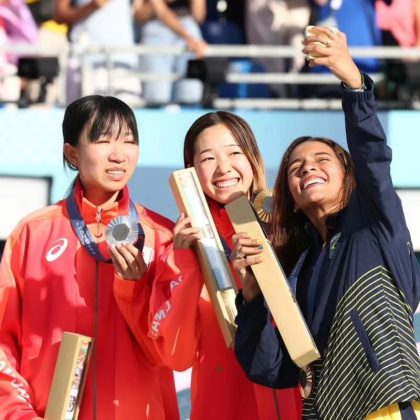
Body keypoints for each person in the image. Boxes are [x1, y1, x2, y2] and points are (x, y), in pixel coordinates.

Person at [232, 26, 420, 419]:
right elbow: (269, 368)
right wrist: (252, 294)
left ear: (348, 176)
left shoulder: (373, 226)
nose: (308, 169)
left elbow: (373, 158)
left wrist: (353, 84)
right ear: (292, 198)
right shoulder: (297, 271)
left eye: (322, 161)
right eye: (296, 169)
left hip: (386, 405)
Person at [0, 95, 180, 419]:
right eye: (102, 140)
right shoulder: (32, 233)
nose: (119, 155)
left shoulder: (162, 236)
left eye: (129, 141)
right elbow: (2, 340)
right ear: (72, 152)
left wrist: (138, 290)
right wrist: (18, 413)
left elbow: (174, 349)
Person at [145, 111, 302, 419]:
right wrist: (181, 261)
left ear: (254, 158)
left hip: (294, 397)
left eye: (234, 153)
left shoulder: (293, 226)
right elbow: (175, 353)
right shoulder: (182, 247)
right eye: (207, 159)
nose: (224, 168)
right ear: (190, 171)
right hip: (223, 402)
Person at [54, 0, 142, 105]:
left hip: (124, 61)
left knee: (125, 117)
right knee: (87, 118)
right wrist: (92, 6)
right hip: (87, 62)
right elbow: (60, 14)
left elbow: (139, 14)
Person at [134, 0, 207, 105]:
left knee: (191, 94)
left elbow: (199, 16)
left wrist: (190, 38)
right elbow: (157, 12)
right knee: (157, 96)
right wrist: (189, 38)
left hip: (189, 30)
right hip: (156, 32)